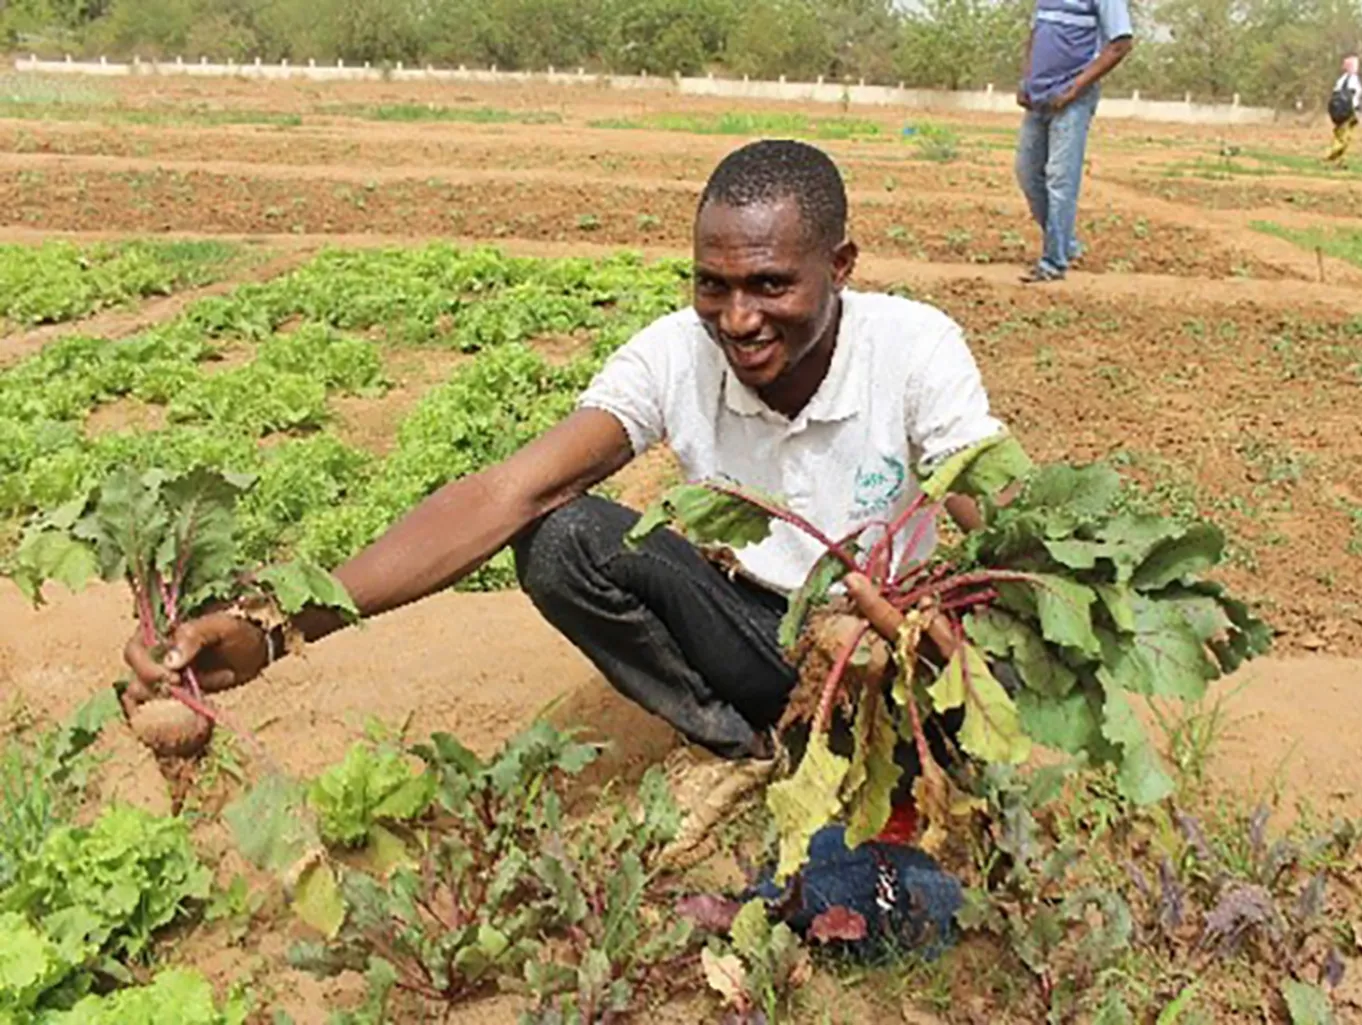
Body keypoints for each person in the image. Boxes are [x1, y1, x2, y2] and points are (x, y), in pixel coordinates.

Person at [123, 139, 1006, 871]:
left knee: (968, 664)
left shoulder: (914, 347)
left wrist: (978, 627)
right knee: (564, 536)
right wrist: (276, 623)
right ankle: (745, 747)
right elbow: (511, 491)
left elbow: (1002, 511)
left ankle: (903, 756)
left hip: (887, 644)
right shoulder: (673, 355)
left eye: (771, 285)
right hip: (753, 639)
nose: (738, 319)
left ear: (841, 266)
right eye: (713, 285)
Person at [1014, 0, 1135, 283]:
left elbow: (1121, 43)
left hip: (1073, 100)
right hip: (1039, 96)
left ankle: (1054, 263)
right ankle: (1066, 244)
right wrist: (1026, 79)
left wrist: (1075, 88)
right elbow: (1035, 33)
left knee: (1060, 179)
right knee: (1027, 172)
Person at [1326, 54, 1362, 167]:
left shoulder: (1347, 79)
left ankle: (1336, 158)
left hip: (1345, 111)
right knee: (1343, 136)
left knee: (1342, 135)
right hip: (1344, 111)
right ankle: (1334, 157)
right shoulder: (1346, 80)